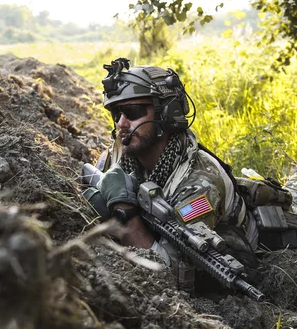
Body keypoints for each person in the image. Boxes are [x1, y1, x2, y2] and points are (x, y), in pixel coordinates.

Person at [83, 58, 259, 278]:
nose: (121, 123)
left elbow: (169, 277)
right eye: (117, 114)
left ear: (166, 113)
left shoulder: (200, 183)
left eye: (134, 111)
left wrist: (125, 217)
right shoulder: (120, 153)